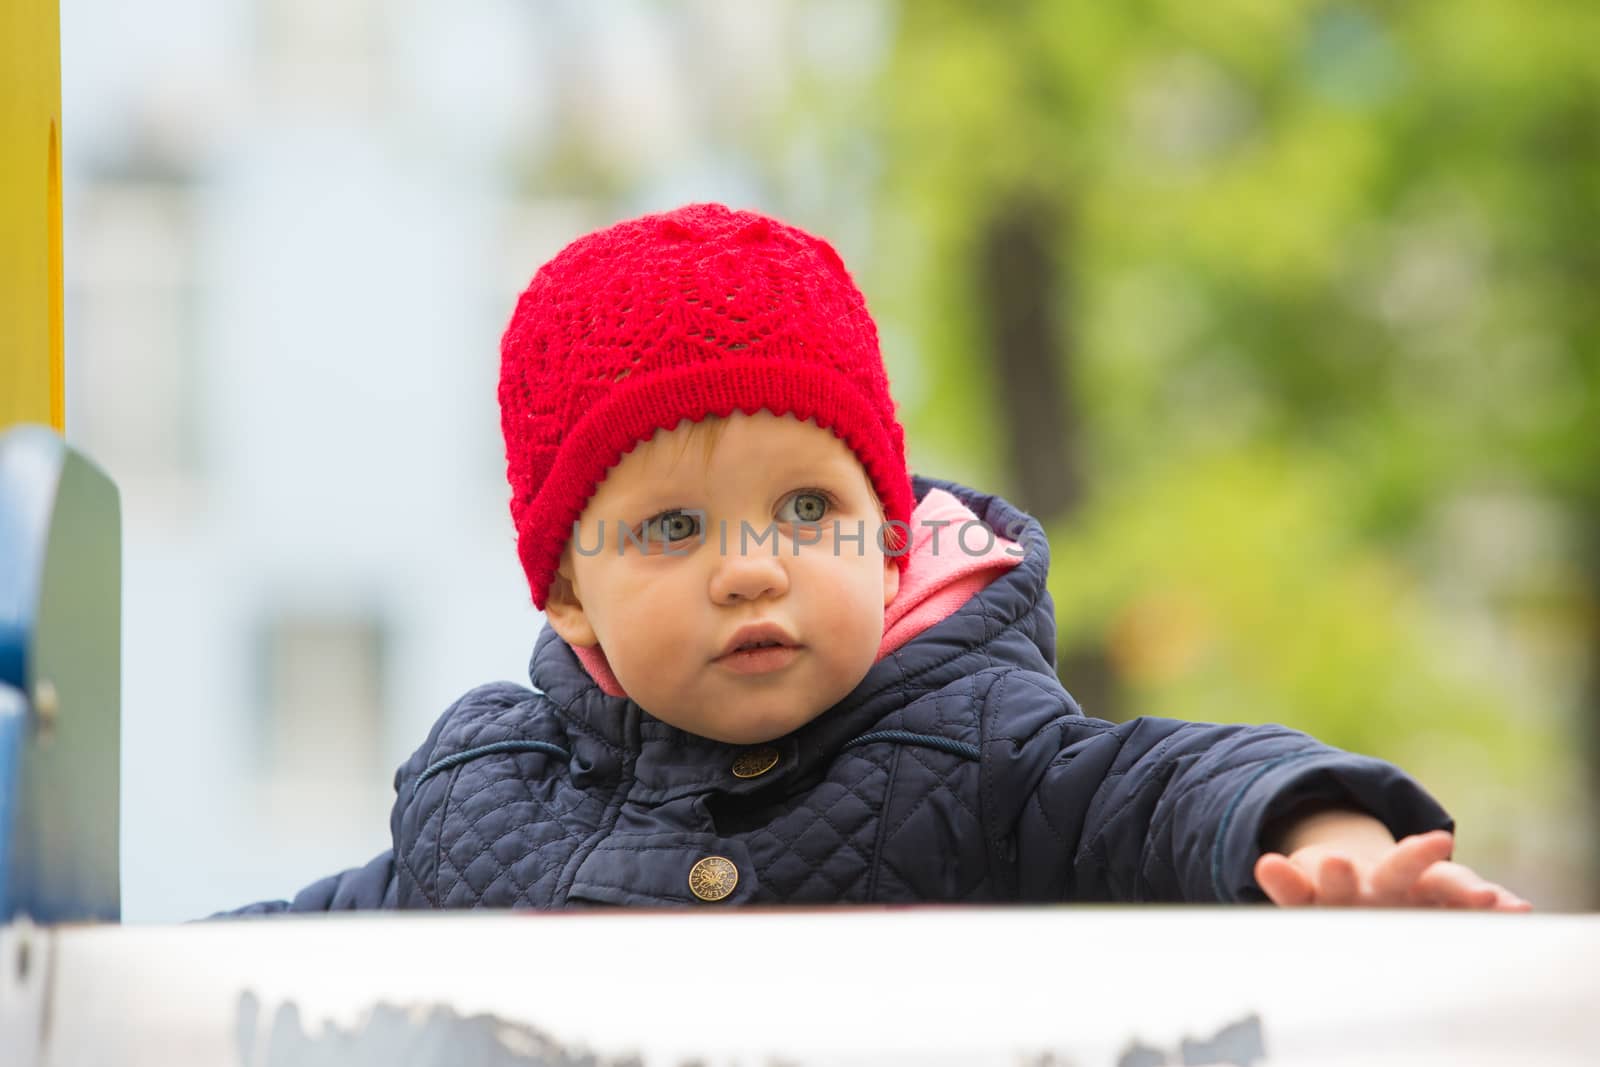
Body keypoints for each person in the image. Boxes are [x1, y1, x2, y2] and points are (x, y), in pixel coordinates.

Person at [223, 203, 1528, 914]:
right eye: (674, 528)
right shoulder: (486, 789)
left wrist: (1319, 823)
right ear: (570, 592)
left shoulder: (983, 748)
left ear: (891, 535)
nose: (753, 569)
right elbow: (285, 965)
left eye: (808, 510)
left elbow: (1164, 783)